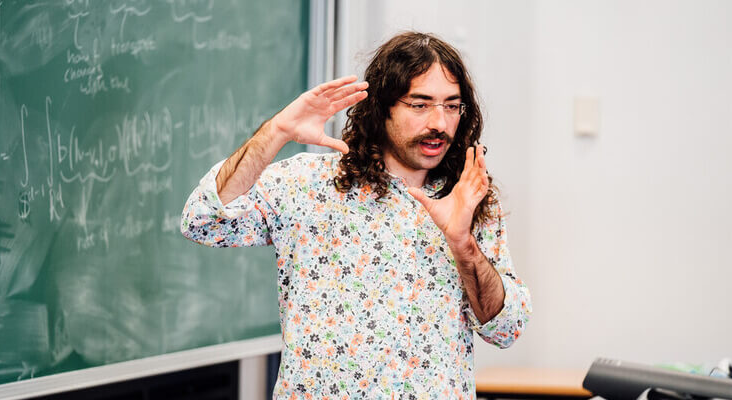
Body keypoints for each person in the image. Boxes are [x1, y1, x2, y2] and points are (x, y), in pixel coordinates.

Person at [182, 31, 531, 399]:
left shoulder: (469, 198)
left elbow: (505, 329)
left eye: (451, 106)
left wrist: (463, 244)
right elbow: (202, 220)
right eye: (420, 104)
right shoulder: (309, 184)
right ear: (382, 109)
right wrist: (277, 131)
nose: (440, 123)